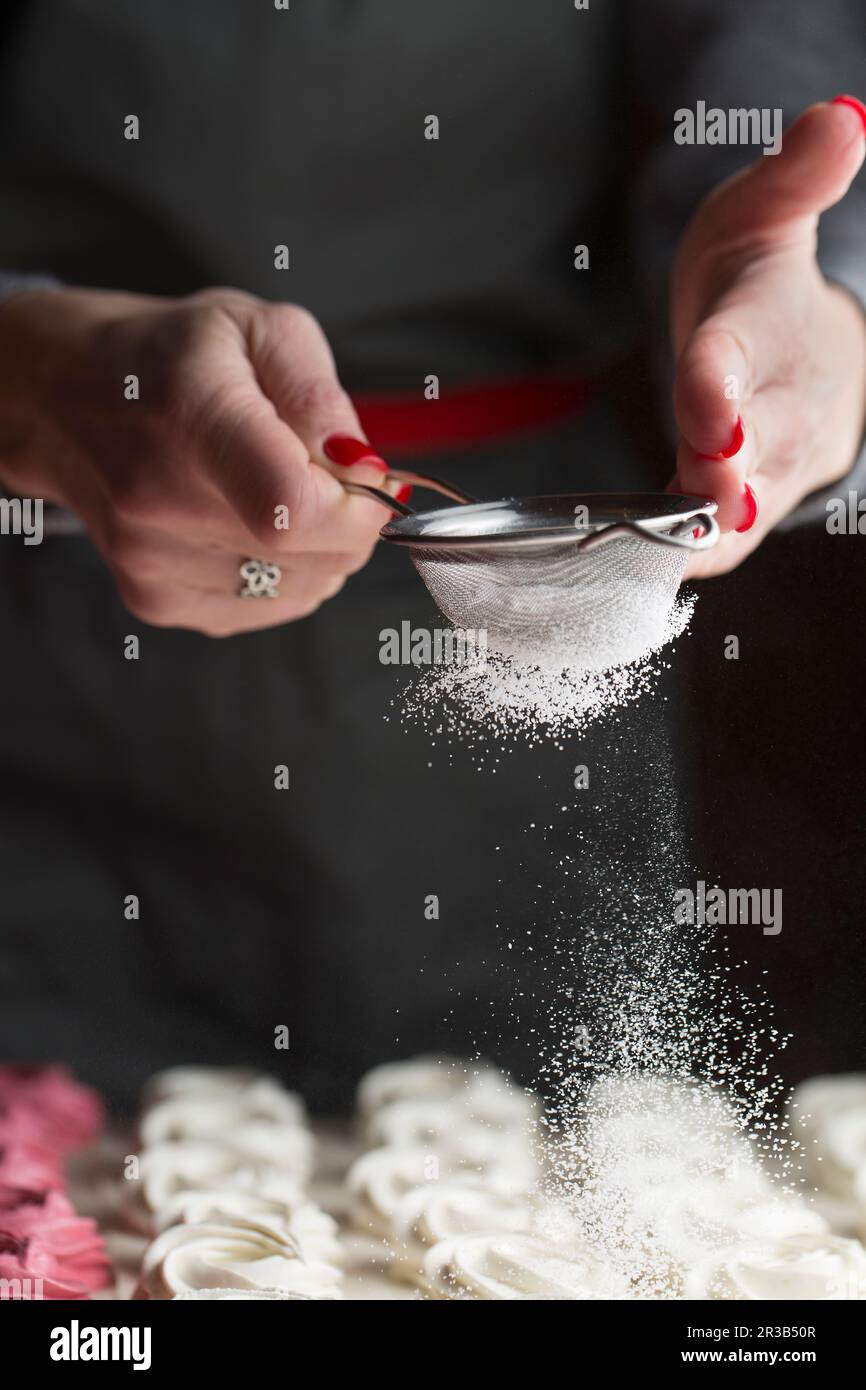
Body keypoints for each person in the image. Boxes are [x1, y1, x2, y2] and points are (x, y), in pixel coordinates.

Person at [0, 2, 864, 1112]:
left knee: (531, 1180)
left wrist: (821, 294)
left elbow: (763, 52)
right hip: (63, 673)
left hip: (529, 633)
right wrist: (30, 375)